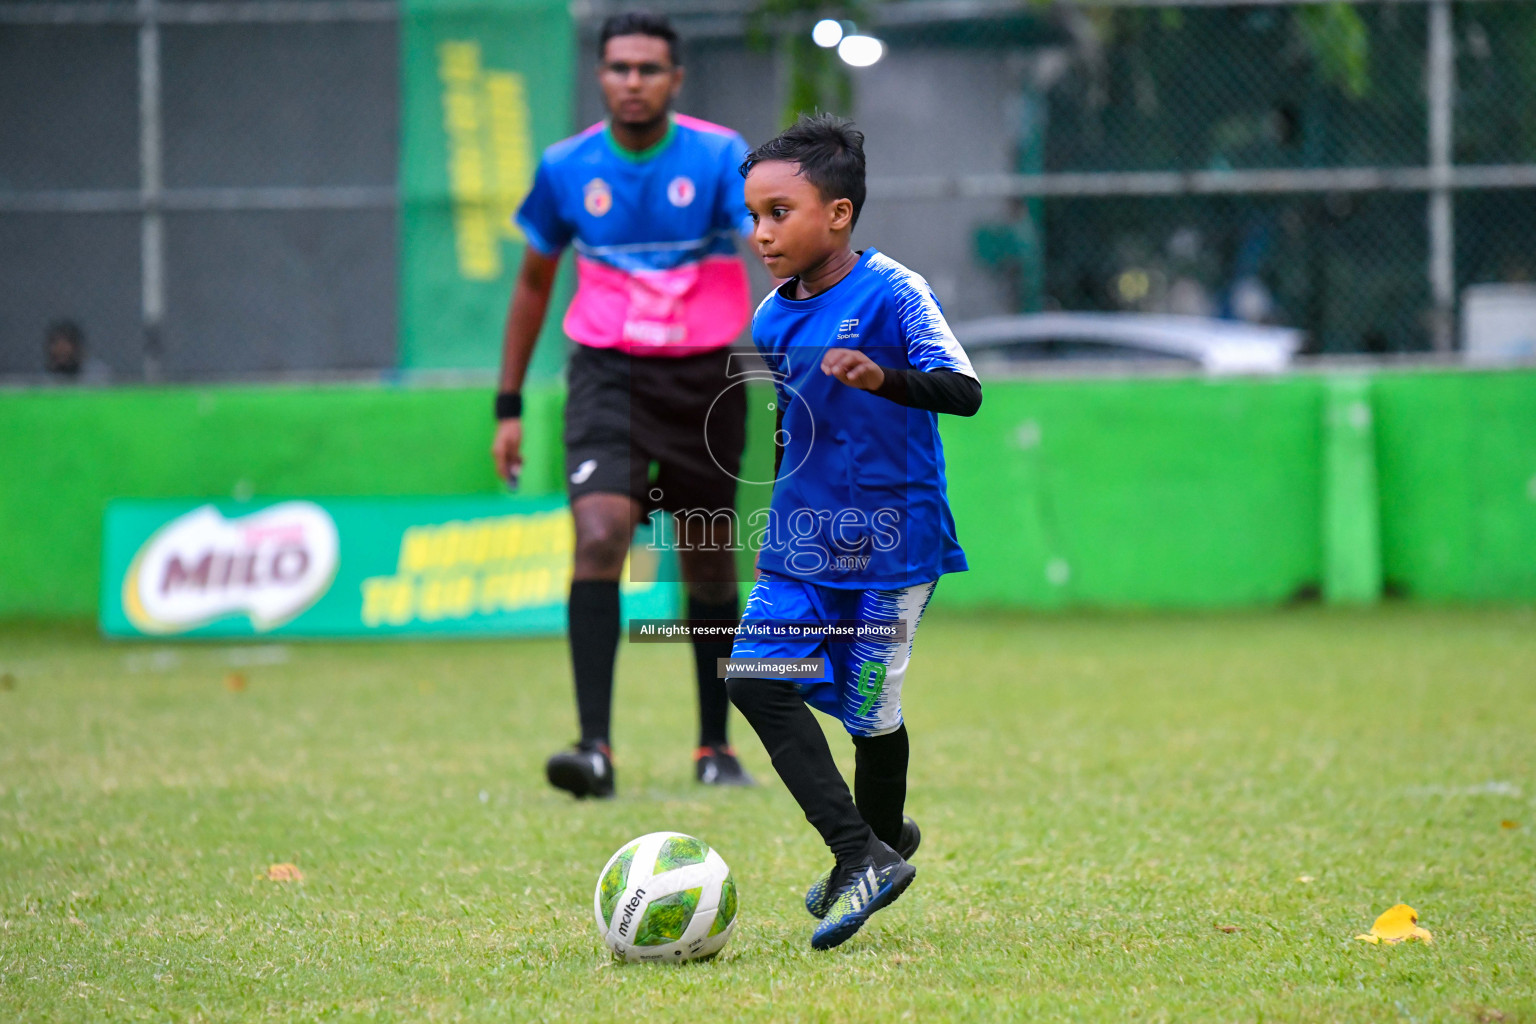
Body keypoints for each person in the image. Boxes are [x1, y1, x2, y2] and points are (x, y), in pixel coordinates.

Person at [725, 113, 982, 950]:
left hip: (891, 544)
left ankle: (879, 842)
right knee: (755, 679)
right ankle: (862, 850)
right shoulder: (771, 319)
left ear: (838, 214)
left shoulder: (895, 292)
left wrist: (885, 378)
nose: (760, 233)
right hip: (799, 544)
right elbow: (790, 427)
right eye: (754, 214)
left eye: (779, 213)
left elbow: (964, 389)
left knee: (871, 716)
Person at [493, 11, 755, 797]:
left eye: (648, 69)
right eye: (618, 68)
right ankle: (594, 749)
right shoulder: (566, 167)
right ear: (600, 75)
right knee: (601, 533)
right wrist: (506, 404)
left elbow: (767, 252)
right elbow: (534, 283)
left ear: (675, 79)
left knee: (707, 558)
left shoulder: (718, 156)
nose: (631, 82)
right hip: (607, 373)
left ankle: (715, 748)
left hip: (707, 376)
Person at [45, 320, 112, 383]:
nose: (60, 349)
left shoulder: (97, 374)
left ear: (76, 346)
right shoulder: (45, 380)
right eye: (56, 344)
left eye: (65, 344)